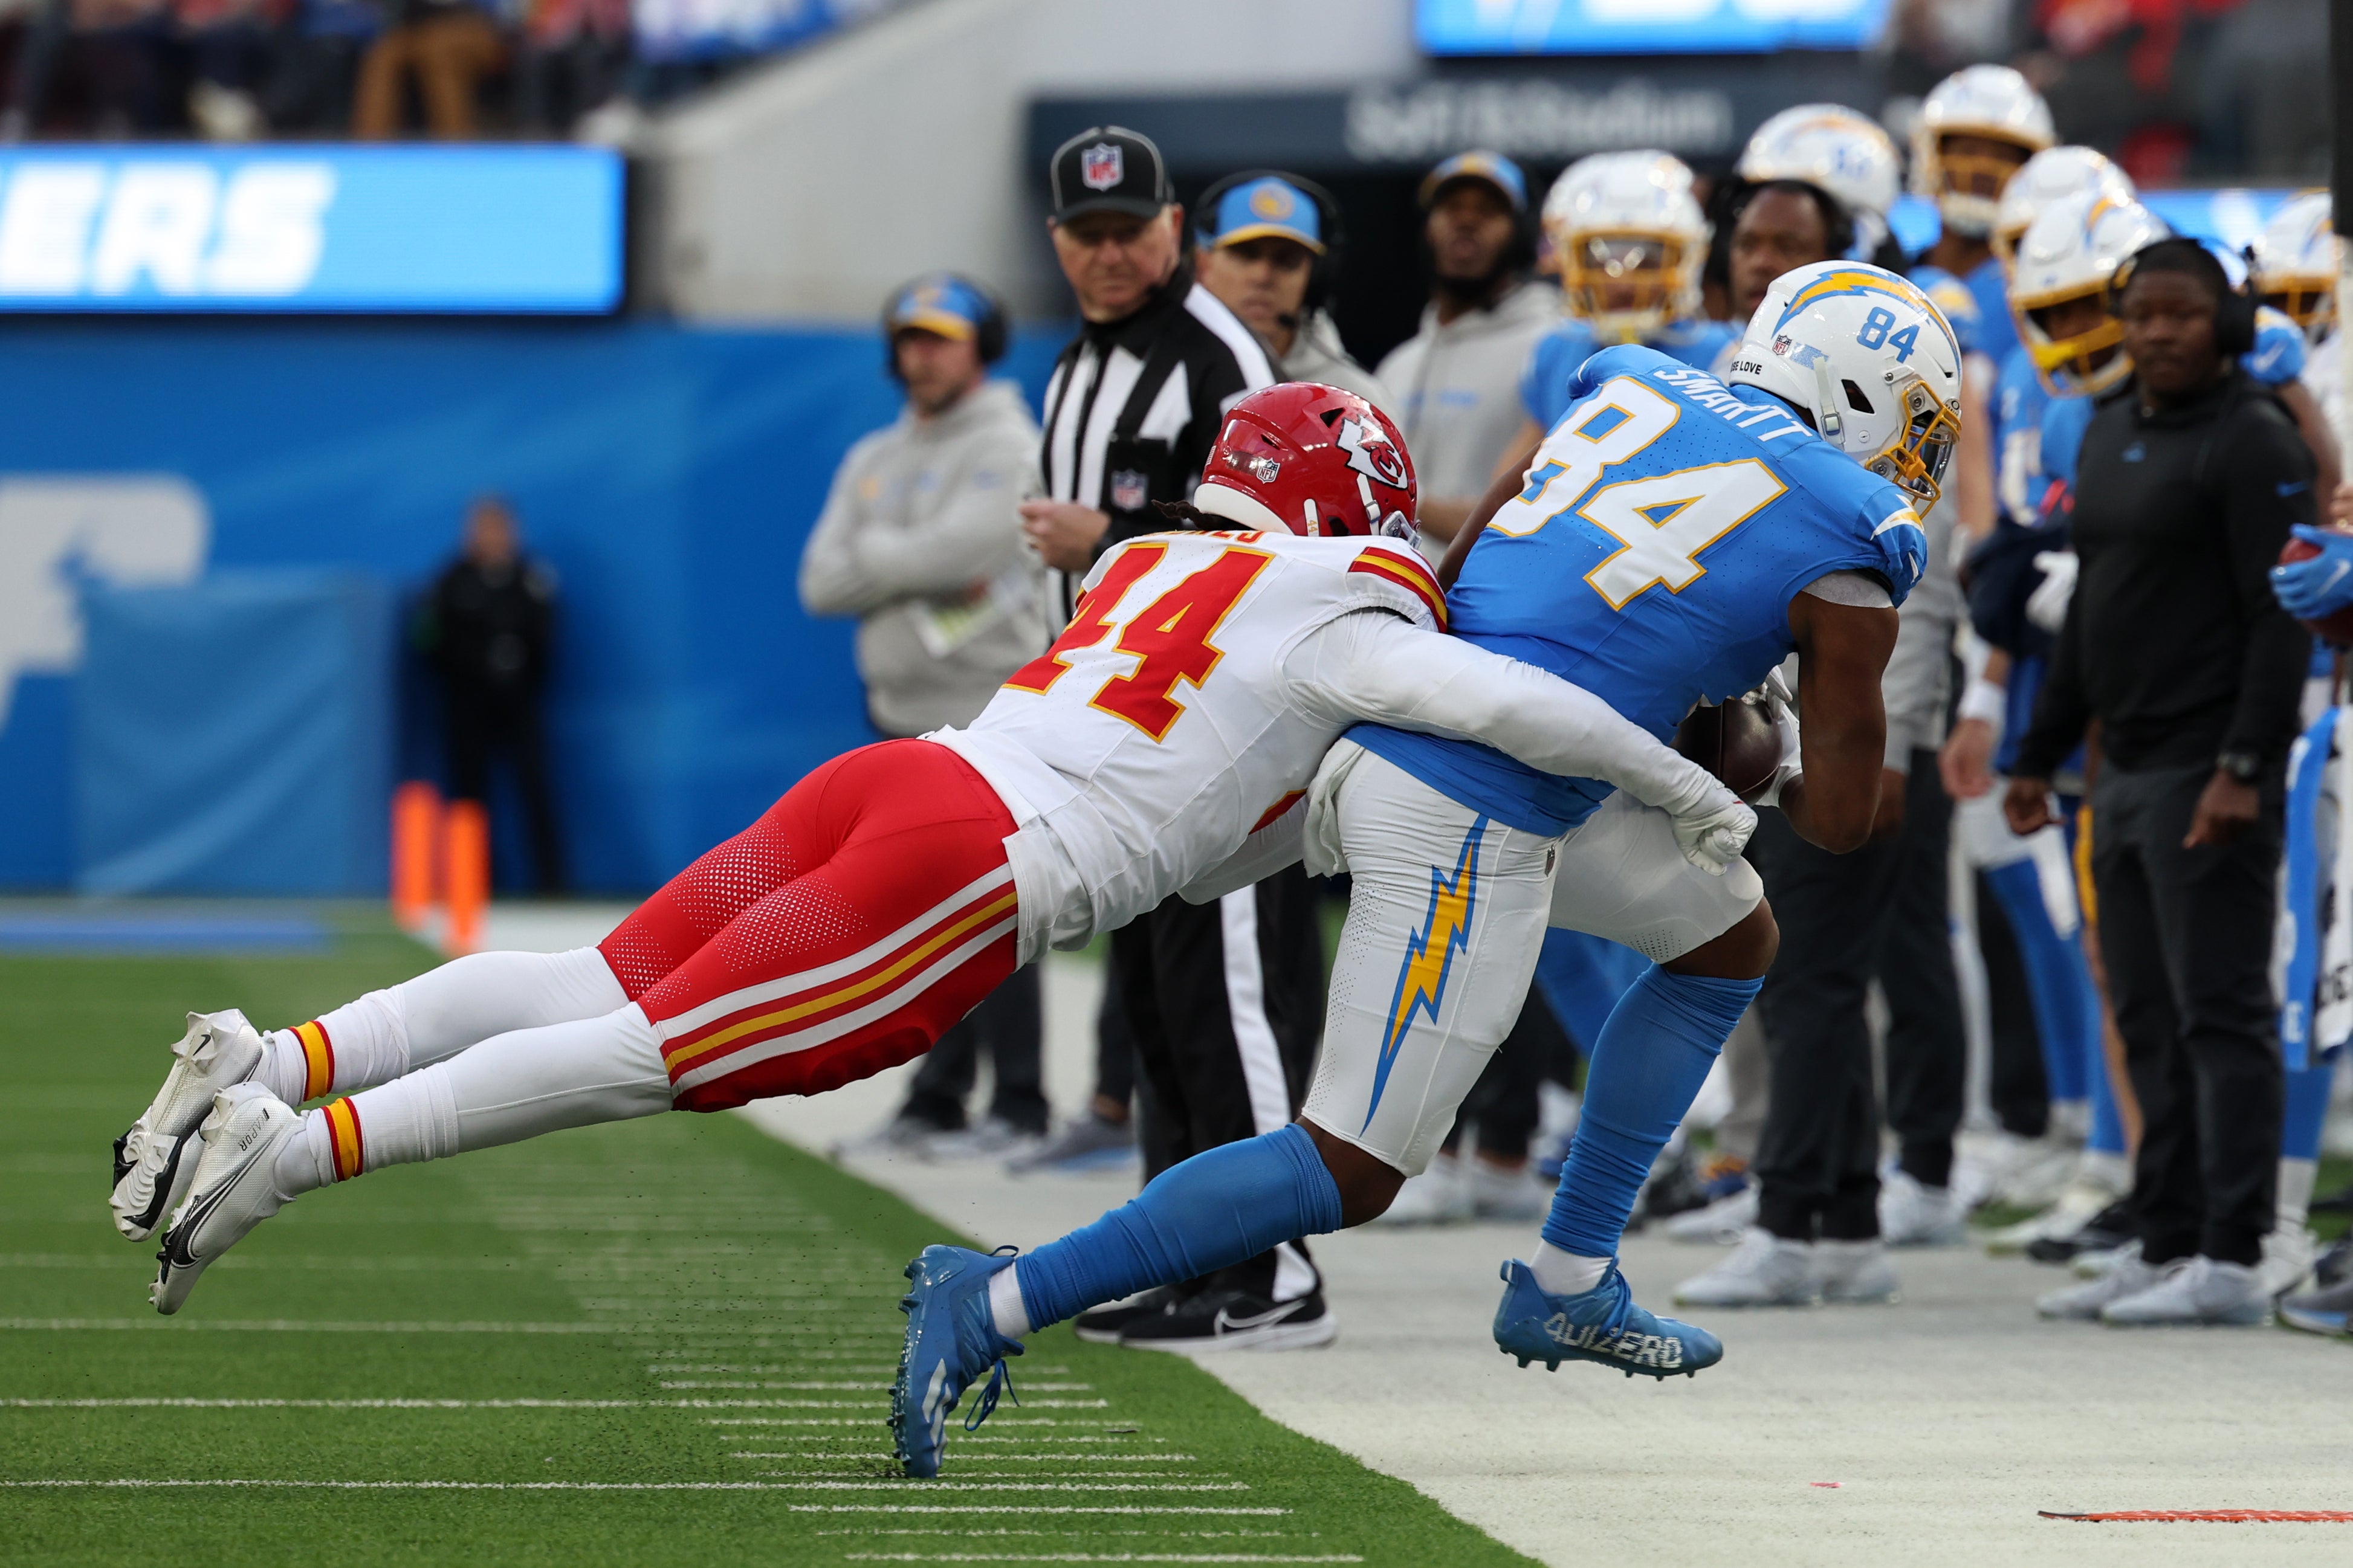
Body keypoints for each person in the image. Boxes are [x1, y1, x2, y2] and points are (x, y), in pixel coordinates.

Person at [111, 384, 1750, 1383]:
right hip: (971, 864)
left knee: (601, 982)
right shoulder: (1353, 596)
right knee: (650, 1057)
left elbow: (1231, 802)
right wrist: (1682, 787)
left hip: (899, 779)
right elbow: (1506, 707)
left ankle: (272, 1060)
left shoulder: (1150, 558)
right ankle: (295, 1151)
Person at [893, 262, 1955, 1473]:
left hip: (1418, 733)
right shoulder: (1852, 534)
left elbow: (1458, 568)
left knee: (1727, 932)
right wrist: (1751, 747)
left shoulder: (1628, 384)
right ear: (1866, 400)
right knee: (1345, 1165)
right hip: (1472, 806)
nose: (1914, 455)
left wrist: (1676, 698)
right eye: (1913, 422)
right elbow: (1834, 817)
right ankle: (995, 1298)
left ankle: (1569, 1273)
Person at [1019, 126, 1333, 1349]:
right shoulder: (1073, 363)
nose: (1106, 255)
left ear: (1171, 234)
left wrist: (1103, 531)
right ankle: (1193, 1251)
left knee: (1234, 991)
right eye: (1083, 236)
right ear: (1056, 243)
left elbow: (1273, 529)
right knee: (1159, 1004)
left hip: (1222, 733)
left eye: (1125, 232)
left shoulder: (1221, 356)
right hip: (1114, 737)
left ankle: (1278, 1267)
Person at [2012, 237, 2316, 1328]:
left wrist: (2243, 766)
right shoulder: (2104, 433)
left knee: (2219, 1014)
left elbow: (2279, 617)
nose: (2157, 333)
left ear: (2225, 322)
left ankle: (2234, 1255)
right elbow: (2094, 610)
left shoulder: (2251, 439)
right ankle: (2165, 1234)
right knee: (2141, 1014)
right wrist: (2037, 751)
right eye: (2141, 315)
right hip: (2120, 769)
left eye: (2181, 315)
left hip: (2207, 771)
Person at [800, 273, 1049, 1155]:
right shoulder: (874, 453)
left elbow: (976, 544)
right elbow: (819, 581)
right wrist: (912, 562)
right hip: (900, 714)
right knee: (918, 913)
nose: (923, 355)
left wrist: (881, 554)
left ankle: (1018, 1100)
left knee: (997, 906)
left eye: (943, 338)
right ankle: (939, 1095)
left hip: (987, 714)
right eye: (911, 338)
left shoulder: (1010, 441)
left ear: (981, 346)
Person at [1490, 151, 1735, 485]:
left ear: (1687, 259)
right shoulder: (1555, 350)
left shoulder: (1729, 353)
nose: (1621, 282)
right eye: (1600, 260)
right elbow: (1509, 488)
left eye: (1646, 262)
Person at [1374, 152, 1556, 545]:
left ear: (1522, 233)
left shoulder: (1550, 347)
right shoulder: (1398, 364)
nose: (1466, 220)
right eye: (1451, 208)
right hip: (1392, 598)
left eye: (1488, 211)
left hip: (1486, 597)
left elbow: (1538, 511)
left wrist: (1382, 496)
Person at [415, 495, 564, 894]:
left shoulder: (532, 578)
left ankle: (552, 882)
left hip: (520, 703)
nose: (493, 537)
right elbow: (428, 639)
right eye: (484, 528)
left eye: (500, 528)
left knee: (535, 787)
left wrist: (518, 672)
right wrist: (471, 669)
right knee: (469, 796)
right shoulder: (449, 581)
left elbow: (548, 639)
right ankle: (473, 882)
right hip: (468, 704)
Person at [1190, 171, 1389, 409]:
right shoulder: (1168, 379)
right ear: (1203, 264)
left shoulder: (1359, 402)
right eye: (1245, 254)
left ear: (1314, 278)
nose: (1263, 277)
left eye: (1286, 260)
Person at [352, 0, 504, 140]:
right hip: (418, 27)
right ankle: (370, 152)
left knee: (437, 52)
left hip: (476, 26)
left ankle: (457, 151)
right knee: (383, 54)